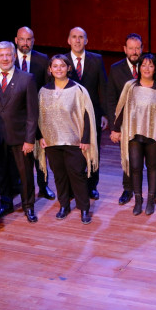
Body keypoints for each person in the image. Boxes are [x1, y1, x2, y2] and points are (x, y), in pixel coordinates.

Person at [110, 53, 156, 216]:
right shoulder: (130, 86)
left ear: (155, 69)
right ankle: (138, 200)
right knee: (135, 167)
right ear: (139, 68)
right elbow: (121, 108)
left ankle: (150, 200)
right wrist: (116, 128)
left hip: (154, 134)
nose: (147, 68)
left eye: (151, 65)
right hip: (134, 133)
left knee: (153, 167)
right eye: (144, 65)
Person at [0, 41, 39, 223]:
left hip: (21, 137)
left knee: (26, 174)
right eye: (1, 55)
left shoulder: (27, 78)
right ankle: (6, 203)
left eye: (8, 55)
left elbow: (32, 112)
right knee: (3, 173)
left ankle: (28, 206)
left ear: (14, 56)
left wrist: (30, 139)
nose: (5, 58)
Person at [37, 55, 98, 224]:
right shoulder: (43, 91)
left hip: (73, 140)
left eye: (62, 66)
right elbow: (39, 116)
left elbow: (87, 115)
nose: (58, 69)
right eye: (55, 66)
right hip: (52, 141)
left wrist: (85, 139)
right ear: (50, 69)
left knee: (77, 174)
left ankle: (84, 207)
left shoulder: (78, 90)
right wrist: (40, 136)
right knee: (59, 175)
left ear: (68, 68)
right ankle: (64, 205)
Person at [65, 27, 107, 200]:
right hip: (68, 115)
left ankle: (91, 186)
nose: (77, 40)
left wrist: (104, 114)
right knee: (70, 152)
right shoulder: (61, 60)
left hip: (92, 113)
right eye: (74, 37)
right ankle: (70, 188)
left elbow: (103, 87)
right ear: (69, 40)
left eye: (81, 37)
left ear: (86, 40)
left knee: (92, 150)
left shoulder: (96, 60)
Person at [14, 26, 55, 201]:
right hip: (16, 114)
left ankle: (43, 186)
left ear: (33, 41)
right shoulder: (9, 57)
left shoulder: (42, 59)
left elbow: (47, 86)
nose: (25, 43)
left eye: (29, 39)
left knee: (41, 152)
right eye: (22, 39)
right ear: (16, 40)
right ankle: (19, 186)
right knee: (20, 154)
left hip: (38, 113)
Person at [106, 33, 143, 205]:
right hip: (126, 123)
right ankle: (128, 189)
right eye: (131, 48)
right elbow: (111, 99)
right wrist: (115, 127)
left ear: (142, 49)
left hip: (147, 121)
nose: (135, 52)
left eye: (137, 48)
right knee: (128, 157)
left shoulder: (150, 66)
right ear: (125, 49)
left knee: (152, 158)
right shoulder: (116, 68)